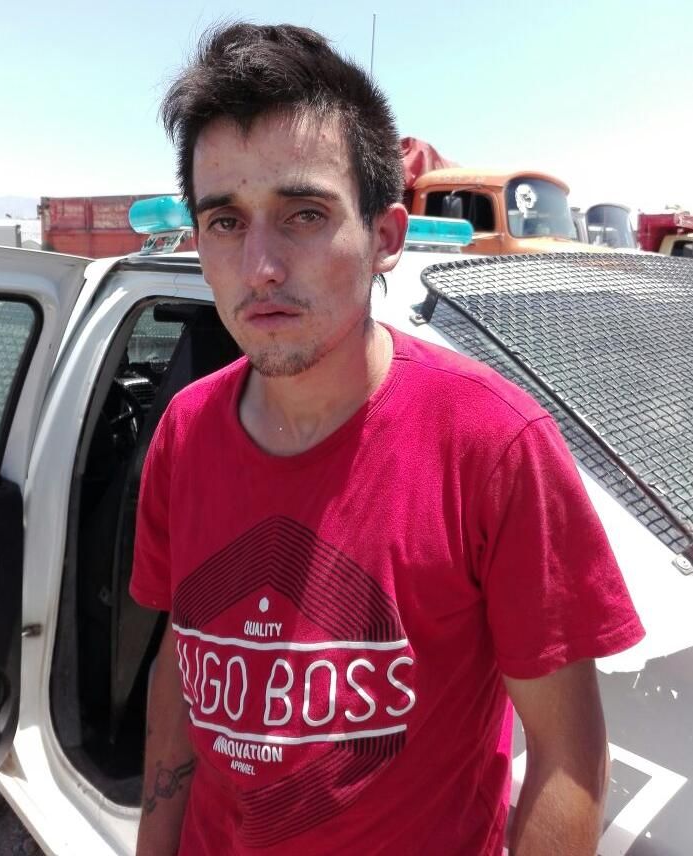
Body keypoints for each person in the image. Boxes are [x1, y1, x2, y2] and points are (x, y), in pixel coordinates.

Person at [130, 22, 644, 856]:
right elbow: (178, 670)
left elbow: (567, 753)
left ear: (386, 237)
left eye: (303, 214)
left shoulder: (492, 447)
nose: (259, 266)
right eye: (225, 221)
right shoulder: (184, 434)